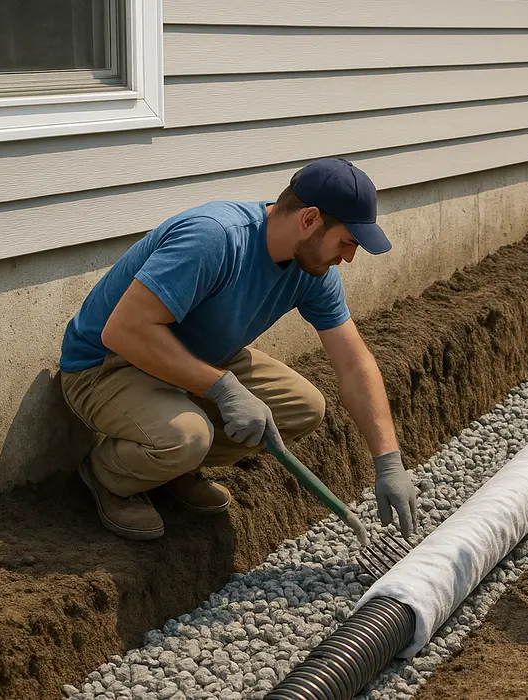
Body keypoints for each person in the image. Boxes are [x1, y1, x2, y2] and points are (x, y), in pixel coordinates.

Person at [57, 157, 419, 542]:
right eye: (348, 242)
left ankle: (169, 469)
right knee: (188, 437)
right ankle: (110, 476)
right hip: (108, 365)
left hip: (192, 361)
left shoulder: (312, 270)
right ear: (310, 219)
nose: (348, 257)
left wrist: (388, 462)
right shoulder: (214, 238)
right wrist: (224, 388)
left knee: (302, 407)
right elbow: (124, 331)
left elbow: (353, 362)